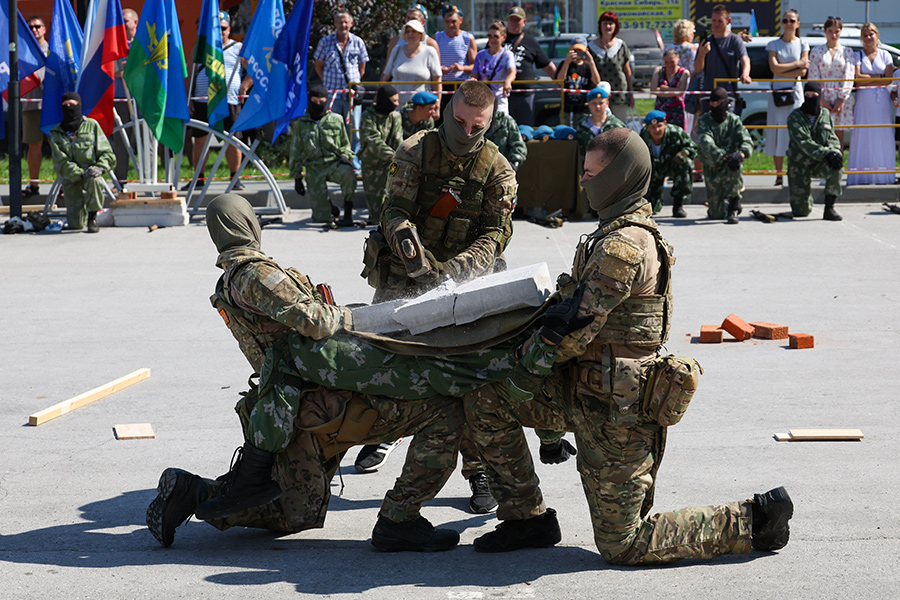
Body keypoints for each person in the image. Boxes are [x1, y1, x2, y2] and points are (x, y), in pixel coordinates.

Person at [462, 127, 794, 564]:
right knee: (485, 397)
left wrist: (522, 371)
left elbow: (572, 331)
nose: (584, 182)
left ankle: (754, 520)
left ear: (621, 177)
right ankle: (527, 518)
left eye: (592, 173)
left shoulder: (622, 245)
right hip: (581, 389)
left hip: (619, 409)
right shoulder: (614, 231)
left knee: (623, 544)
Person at [145, 193, 495, 552]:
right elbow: (314, 320)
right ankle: (400, 519)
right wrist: (363, 317)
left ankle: (193, 493)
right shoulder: (255, 274)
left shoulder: (231, 280)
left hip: (302, 398)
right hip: (324, 398)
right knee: (445, 411)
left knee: (292, 514)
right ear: (249, 224)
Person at [360, 81, 517, 513]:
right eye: (460, 122)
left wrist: (452, 273)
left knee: (470, 376)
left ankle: (478, 469)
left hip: (466, 280)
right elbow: (393, 211)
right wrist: (412, 253)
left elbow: (495, 234)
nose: (466, 132)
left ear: (489, 123)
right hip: (406, 273)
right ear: (447, 111)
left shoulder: (497, 169)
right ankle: (383, 430)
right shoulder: (415, 151)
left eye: (477, 126)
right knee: (384, 361)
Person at [190, 11, 251, 190]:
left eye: (223, 29)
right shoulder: (200, 48)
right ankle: (198, 179)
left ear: (229, 29)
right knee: (200, 139)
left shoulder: (238, 47)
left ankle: (234, 178)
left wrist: (244, 87)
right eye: (217, 29)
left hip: (229, 100)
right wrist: (189, 97)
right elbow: (190, 73)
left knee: (232, 140)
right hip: (203, 99)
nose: (220, 32)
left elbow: (254, 71)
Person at [290, 86, 358, 225]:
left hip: (334, 164)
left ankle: (348, 213)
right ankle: (329, 208)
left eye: (322, 101)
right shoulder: (301, 124)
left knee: (348, 175)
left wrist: (346, 156)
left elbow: (345, 144)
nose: (318, 104)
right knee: (321, 218)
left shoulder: (336, 119)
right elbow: (295, 151)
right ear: (310, 100)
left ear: (327, 101)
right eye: (315, 101)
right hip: (313, 168)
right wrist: (297, 177)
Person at [49, 92, 116, 233]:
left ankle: (92, 218)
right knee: (76, 225)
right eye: (65, 106)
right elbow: (61, 162)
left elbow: (108, 154)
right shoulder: (56, 133)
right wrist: (80, 174)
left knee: (96, 180)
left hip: (91, 173)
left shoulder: (92, 126)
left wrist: (99, 168)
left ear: (79, 106)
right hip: (72, 178)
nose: (69, 108)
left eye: (72, 105)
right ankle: (80, 216)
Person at [314, 11, 369, 166]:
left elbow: (362, 67)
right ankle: (334, 162)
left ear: (351, 24)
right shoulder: (325, 42)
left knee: (354, 129)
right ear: (335, 24)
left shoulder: (358, 42)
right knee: (332, 128)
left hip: (352, 94)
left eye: (346, 22)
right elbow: (318, 65)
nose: (343, 25)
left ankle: (354, 163)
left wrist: (355, 81)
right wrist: (327, 82)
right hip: (332, 93)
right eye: (340, 22)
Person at [787, 81, 844, 221]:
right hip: (799, 164)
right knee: (801, 212)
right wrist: (826, 153)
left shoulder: (825, 114)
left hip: (819, 162)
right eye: (807, 95)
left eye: (814, 95)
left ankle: (829, 208)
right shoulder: (794, 117)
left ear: (820, 96)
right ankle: (805, 199)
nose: (811, 98)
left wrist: (834, 151)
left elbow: (832, 137)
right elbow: (804, 143)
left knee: (837, 165)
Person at [765, 9, 809, 187]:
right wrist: (796, 64)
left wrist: (789, 67)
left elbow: (803, 70)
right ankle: (778, 174)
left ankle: (796, 171)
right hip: (778, 93)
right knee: (778, 132)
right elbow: (774, 68)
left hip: (795, 92)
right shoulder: (773, 44)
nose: (788, 24)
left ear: (797, 24)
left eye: (791, 21)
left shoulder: (803, 43)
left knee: (795, 132)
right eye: (785, 21)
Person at [848, 23, 895, 186]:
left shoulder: (886, 55)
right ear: (862, 38)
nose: (869, 38)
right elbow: (857, 79)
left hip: (882, 100)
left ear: (877, 35)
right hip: (864, 101)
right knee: (863, 134)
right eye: (866, 35)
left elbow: (889, 79)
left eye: (871, 34)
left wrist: (870, 78)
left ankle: (883, 175)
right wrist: (879, 77)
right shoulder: (857, 55)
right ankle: (862, 176)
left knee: (882, 134)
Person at [697, 87, 753, 224]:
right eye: (712, 103)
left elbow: (746, 140)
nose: (715, 106)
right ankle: (723, 205)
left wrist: (741, 154)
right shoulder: (705, 120)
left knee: (736, 168)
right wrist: (722, 156)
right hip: (713, 165)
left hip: (731, 163)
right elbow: (705, 141)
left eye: (718, 103)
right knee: (715, 215)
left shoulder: (734, 121)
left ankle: (734, 205)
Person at [693, 5, 751, 115]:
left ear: (728, 21)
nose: (716, 24)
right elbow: (697, 68)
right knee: (707, 129)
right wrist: (702, 53)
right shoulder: (706, 41)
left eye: (720, 21)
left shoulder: (735, 40)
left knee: (727, 129)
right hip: (708, 94)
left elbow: (745, 59)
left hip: (728, 94)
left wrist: (745, 73)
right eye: (714, 20)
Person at [808, 17, 856, 150]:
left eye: (837, 31)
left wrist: (842, 98)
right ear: (825, 31)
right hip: (823, 96)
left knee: (838, 136)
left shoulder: (847, 51)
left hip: (841, 97)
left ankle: (838, 166)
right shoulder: (817, 51)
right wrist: (820, 98)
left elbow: (849, 75)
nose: (833, 35)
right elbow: (813, 75)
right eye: (830, 31)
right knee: (821, 134)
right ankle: (824, 167)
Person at [504, 6, 556, 127]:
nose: (514, 23)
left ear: (524, 22)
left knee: (525, 129)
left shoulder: (530, 41)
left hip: (525, 95)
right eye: (512, 19)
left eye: (518, 20)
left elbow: (547, 65)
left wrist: (561, 82)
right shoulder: (499, 38)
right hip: (503, 95)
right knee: (503, 129)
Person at [359, 85, 403, 224]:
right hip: (372, 165)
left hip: (390, 164)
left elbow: (398, 139)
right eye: (394, 101)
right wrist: (394, 155)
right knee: (375, 212)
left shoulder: (395, 116)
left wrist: (401, 157)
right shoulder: (368, 116)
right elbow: (373, 141)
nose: (397, 104)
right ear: (384, 100)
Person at [639, 110, 696, 217]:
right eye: (653, 127)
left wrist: (684, 153)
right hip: (654, 168)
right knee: (653, 209)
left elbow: (693, 147)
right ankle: (651, 203)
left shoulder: (676, 132)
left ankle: (678, 205)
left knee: (686, 164)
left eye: (660, 126)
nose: (657, 130)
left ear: (665, 123)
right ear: (647, 127)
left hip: (673, 164)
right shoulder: (643, 137)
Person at [586, 11, 634, 121]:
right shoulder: (591, 46)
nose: (608, 26)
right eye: (605, 23)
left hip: (619, 95)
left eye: (611, 23)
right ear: (600, 26)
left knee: (618, 128)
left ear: (616, 26)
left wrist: (631, 94)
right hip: (597, 96)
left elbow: (627, 71)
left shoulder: (621, 45)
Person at [382, 20, 442, 106]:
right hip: (395, 106)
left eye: (414, 31)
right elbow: (386, 76)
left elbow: (437, 81)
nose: (410, 34)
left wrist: (437, 105)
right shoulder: (396, 50)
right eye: (407, 31)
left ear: (421, 34)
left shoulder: (430, 52)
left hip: (421, 107)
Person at [22, 17, 49, 199]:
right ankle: (34, 184)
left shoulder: (52, 49)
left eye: (37, 26)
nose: (34, 30)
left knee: (57, 145)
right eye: (30, 27)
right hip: (30, 102)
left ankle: (62, 184)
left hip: (50, 103)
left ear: (44, 29)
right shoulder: (23, 51)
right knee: (33, 145)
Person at [113, 8, 138, 188]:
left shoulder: (143, 44)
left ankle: (147, 179)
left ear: (135, 23)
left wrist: (127, 68)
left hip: (141, 99)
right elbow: (112, 71)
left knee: (146, 141)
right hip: (120, 99)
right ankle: (120, 180)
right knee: (121, 142)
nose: (122, 24)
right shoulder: (114, 46)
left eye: (126, 20)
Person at [437, 4, 477, 116]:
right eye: (447, 21)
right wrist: (438, 68)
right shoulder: (437, 37)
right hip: (442, 85)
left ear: (461, 20)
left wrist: (462, 68)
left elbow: (476, 66)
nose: (450, 25)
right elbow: (432, 62)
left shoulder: (467, 38)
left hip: (461, 86)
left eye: (454, 21)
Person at [471, 21, 516, 114]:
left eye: (496, 36)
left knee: (500, 125)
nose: (492, 39)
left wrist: (508, 82)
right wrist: (472, 80)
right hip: (483, 99)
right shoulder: (480, 55)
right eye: (489, 36)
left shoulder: (507, 55)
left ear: (504, 37)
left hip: (499, 98)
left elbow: (512, 72)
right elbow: (475, 75)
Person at [558, 37, 601, 124]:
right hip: (567, 107)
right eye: (575, 51)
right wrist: (567, 62)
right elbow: (559, 82)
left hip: (583, 107)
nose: (578, 54)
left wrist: (591, 62)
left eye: (580, 51)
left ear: (586, 51)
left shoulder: (588, 66)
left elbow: (597, 82)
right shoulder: (564, 64)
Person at [575, 86, 625, 157]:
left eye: (601, 103)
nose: (597, 106)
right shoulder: (581, 125)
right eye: (594, 103)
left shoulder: (616, 125)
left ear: (607, 104)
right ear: (588, 104)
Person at [651, 48, 690, 130]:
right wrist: (674, 90)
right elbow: (653, 90)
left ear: (678, 58)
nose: (669, 65)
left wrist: (664, 89)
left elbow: (680, 92)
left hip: (677, 111)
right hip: (661, 109)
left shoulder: (684, 73)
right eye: (666, 62)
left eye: (672, 62)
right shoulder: (659, 71)